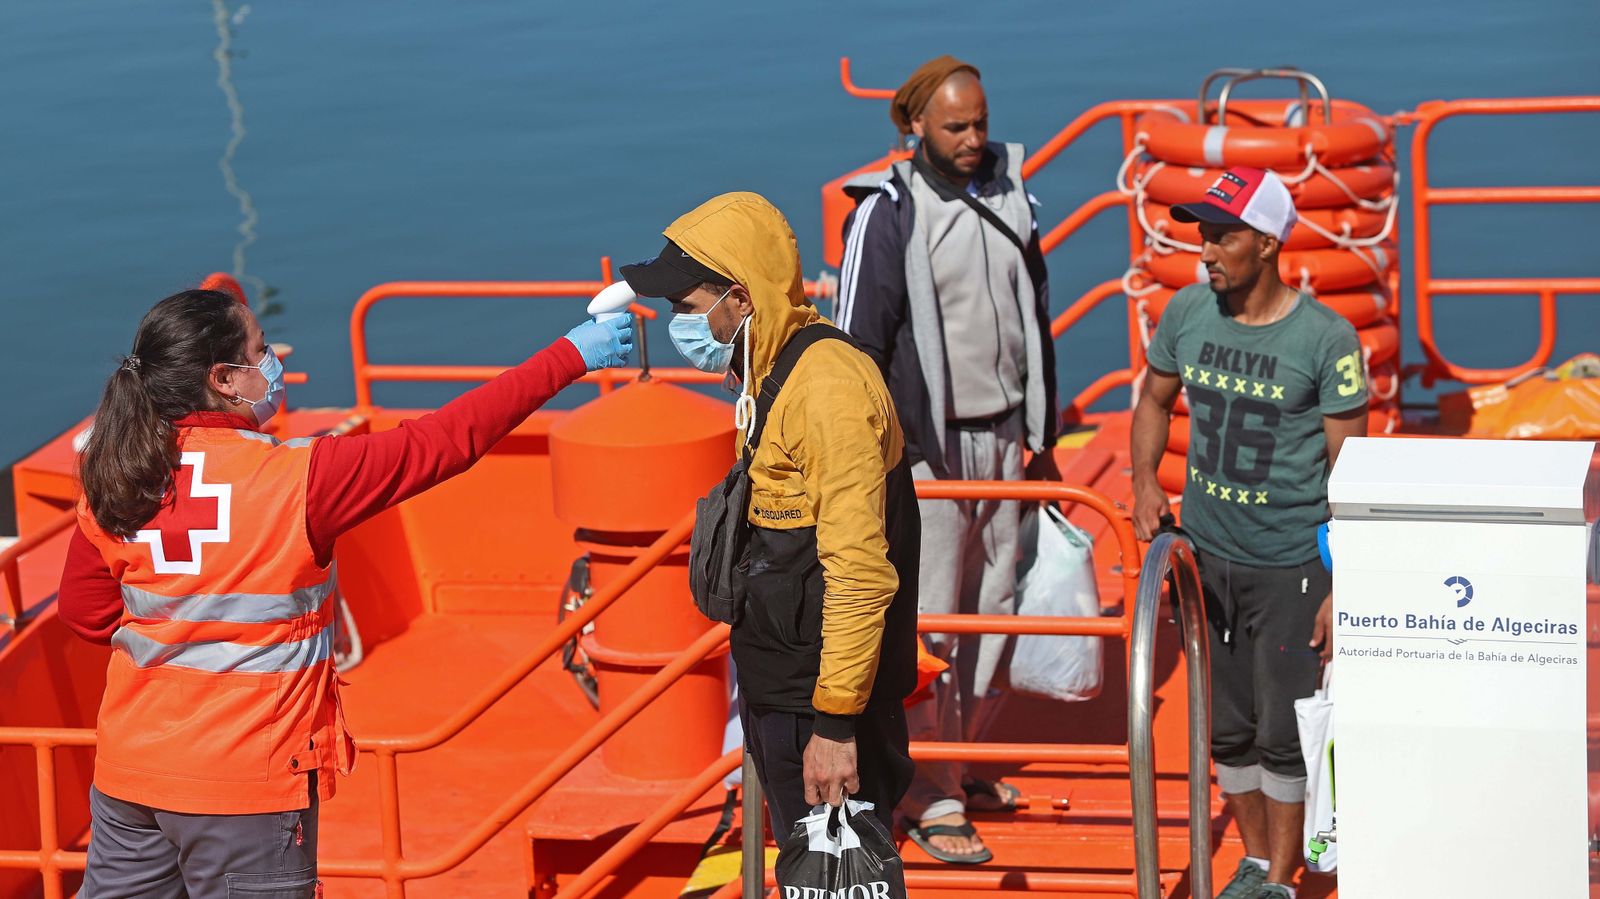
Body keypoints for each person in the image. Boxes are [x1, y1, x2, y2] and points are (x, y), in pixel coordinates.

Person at [58, 288, 631, 898]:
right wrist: (571, 355)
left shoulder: (114, 473)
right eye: (261, 350)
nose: (273, 359)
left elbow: (86, 614)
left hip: (129, 775)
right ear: (223, 378)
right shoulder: (301, 479)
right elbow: (445, 442)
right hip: (248, 780)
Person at [620, 191, 918, 841]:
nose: (677, 322)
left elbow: (860, 572)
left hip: (821, 709)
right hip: (785, 693)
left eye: (688, 307)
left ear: (742, 298)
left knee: (841, 882)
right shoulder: (770, 369)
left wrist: (836, 725)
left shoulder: (825, 389)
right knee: (815, 876)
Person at [834, 54, 1059, 864]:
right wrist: (889, 455)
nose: (973, 139)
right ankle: (928, 790)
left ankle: (959, 762)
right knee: (930, 624)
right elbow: (858, 345)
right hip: (930, 454)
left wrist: (1045, 434)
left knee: (992, 606)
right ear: (914, 127)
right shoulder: (887, 214)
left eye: (980, 124)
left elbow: (1033, 309)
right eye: (955, 126)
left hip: (1005, 437)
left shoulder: (1009, 191)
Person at [1129, 166, 1368, 899]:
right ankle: (1259, 862)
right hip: (1206, 557)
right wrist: (1143, 482)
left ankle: (1284, 877)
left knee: (1285, 730)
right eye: (1203, 235)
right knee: (1227, 730)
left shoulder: (1327, 339)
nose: (1205, 251)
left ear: (1266, 243)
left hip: (1291, 563)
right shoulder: (1186, 314)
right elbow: (1154, 398)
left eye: (1222, 236)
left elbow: (1352, 468)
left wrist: (1341, 582)